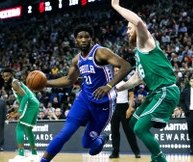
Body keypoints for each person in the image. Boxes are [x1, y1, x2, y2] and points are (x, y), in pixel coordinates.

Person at [40, 24, 131, 162]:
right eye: (80, 37)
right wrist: (45, 83)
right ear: (75, 41)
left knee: (87, 145)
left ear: (91, 39)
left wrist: (108, 86)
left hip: (104, 104)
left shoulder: (101, 52)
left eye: (86, 37)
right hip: (84, 100)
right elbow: (69, 79)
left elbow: (126, 66)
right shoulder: (76, 60)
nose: (83, 39)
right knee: (65, 133)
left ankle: (101, 139)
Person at [112, 1, 180, 161]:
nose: (127, 32)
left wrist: (117, 7)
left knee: (140, 129)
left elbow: (139, 22)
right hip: (156, 92)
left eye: (129, 28)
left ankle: (159, 158)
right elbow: (136, 79)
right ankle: (156, 157)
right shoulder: (139, 52)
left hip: (166, 90)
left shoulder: (145, 42)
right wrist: (114, 88)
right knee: (133, 122)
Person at [2, 68, 40, 161]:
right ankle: (34, 154)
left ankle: (21, 155)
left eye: (7, 75)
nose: (5, 78)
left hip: (30, 104)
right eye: (3, 76)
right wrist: (15, 112)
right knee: (28, 129)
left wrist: (20, 111)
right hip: (35, 103)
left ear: (12, 74)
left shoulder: (15, 83)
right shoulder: (15, 83)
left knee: (19, 127)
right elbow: (21, 99)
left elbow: (25, 97)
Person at [109, 67, 140, 159]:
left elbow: (131, 96)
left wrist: (130, 109)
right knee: (114, 132)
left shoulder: (126, 81)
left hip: (124, 108)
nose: (116, 72)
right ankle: (115, 152)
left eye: (117, 70)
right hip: (114, 108)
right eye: (114, 71)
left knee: (129, 131)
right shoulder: (110, 82)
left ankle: (136, 152)